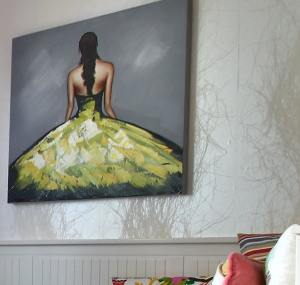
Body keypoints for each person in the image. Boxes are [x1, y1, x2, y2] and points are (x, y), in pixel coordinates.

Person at [9, 31, 184, 200]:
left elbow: (70, 107)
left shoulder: (72, 75)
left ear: (80, 49)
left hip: (78, 124)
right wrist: (119, 127)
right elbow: (107, 106)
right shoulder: (108, 68)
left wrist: (63, 131)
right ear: (96, 46)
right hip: (99, 121)